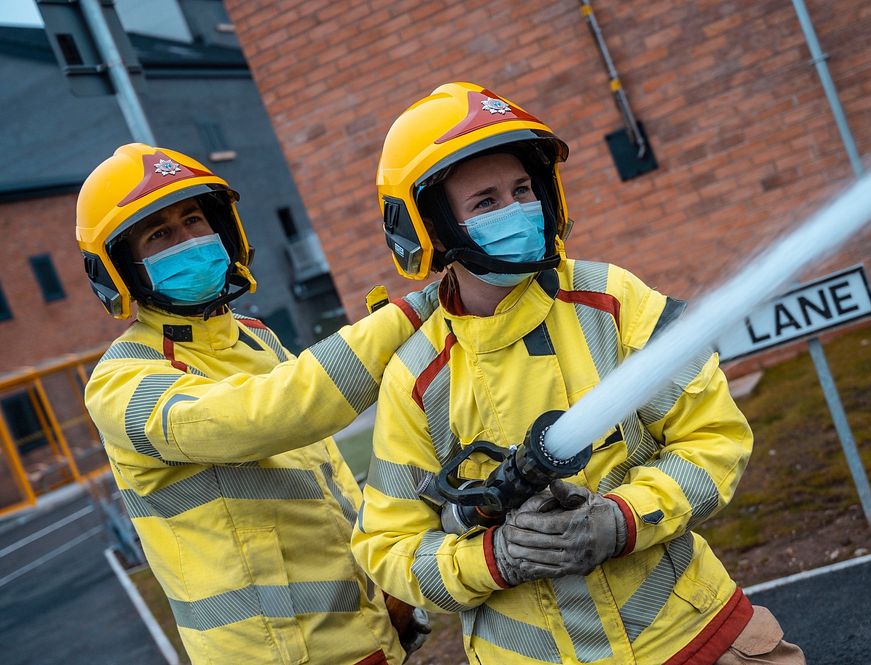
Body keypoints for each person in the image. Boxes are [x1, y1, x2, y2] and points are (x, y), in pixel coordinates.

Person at [351, 83, 805, 664]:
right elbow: (390, 549)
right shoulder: (417, 376)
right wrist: (496, 559)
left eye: (522, 190)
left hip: (694, 640)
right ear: (430, 230)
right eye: (485, 203)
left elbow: (715, 441)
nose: (517, 210)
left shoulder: (614, 301)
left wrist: (619, 521)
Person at [78, 143, 434, 665]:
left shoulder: (256, 339)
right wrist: (409, 313)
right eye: (160, 235)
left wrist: (388, 590)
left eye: (196, 220)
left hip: (369, 641)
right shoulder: (121, 381)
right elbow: (257, 417)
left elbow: (329, 479)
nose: (190, 240)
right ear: (118, 270)